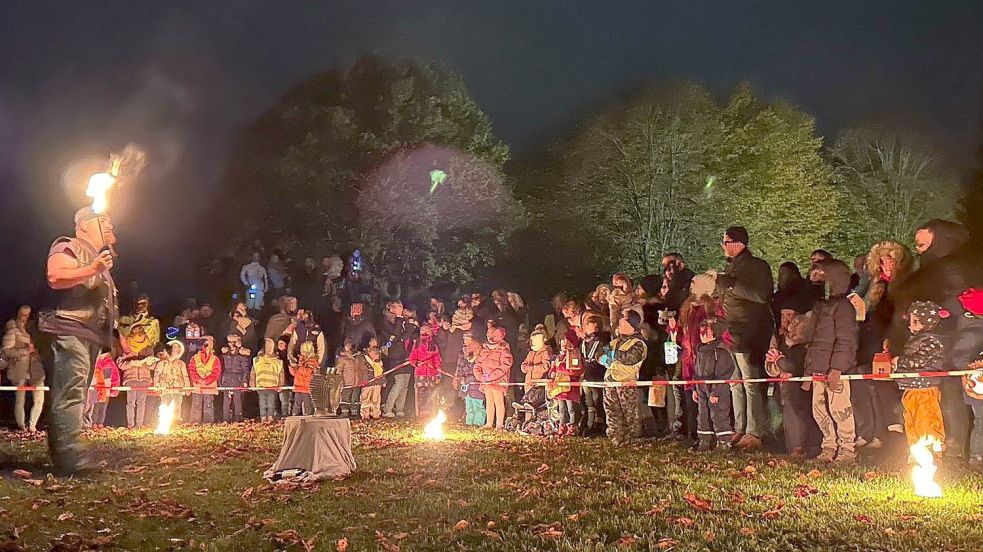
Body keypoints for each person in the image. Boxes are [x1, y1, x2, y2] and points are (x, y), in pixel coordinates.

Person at [40, 206, 119, 473]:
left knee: (76, 392)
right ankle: (70, 459)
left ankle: (67, 456)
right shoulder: (69, 244)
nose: (110, 224)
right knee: (70, 392)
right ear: (83, 225)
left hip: (85, 332)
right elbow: (56, 276)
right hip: (69, 326)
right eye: (103, 221)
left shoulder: (98, 258)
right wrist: (92, 268)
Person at [715, 226, 773, 451]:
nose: (723, 246)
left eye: (726, 241)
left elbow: (761, 295)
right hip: (730, 333)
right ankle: (740, 427)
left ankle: (755, 431)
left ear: (739, 244)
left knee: (750, 383)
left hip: (749, 333)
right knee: (735, 383)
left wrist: (731, 285)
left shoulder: (757, 266)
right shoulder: (731, 267)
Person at [853, 240, 913, 449]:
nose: (886, 265)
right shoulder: (873, 284)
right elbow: (860, 304)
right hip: (869, 338)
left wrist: (892, 338)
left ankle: (894, 427)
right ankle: (874, 432)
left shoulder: (906, 283)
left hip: (890, 338)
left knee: (884, 384)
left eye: (891, 260)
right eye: (882, 261)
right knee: (867, 385)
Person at [806, 259, 859, 464]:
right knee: (819, 410)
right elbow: (814, 341)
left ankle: (847, 450)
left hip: (835, 371)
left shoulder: (843, 307)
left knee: (840, 410)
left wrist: (837, 368)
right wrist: (809, 370)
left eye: (821, 275)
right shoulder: (821, 307)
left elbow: (846, 340)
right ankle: (828, 446)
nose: (816, 279)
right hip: (819, 369)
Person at [893, 301, 948, 452]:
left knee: (926, 420)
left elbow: (921, 361)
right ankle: (916, 452)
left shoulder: (930, 341)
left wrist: (900, 361)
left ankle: (932, 451)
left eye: (912, 321)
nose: (909, 325)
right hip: (912, 388)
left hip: (924, 388)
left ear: (922, 323)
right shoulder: (918, 340)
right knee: (911, 420)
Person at [766, 308, 820, 457]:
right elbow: (769, 363)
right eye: (783, 315)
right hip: (783, 386)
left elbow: (799, 365)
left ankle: (801, 447)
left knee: (801, 414)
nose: (786, 319)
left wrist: (782, 362)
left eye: (790, 315)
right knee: (788, 415)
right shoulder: (778, 336)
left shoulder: (805, 340)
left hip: (802, 386)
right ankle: (792, 447)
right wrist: (779, 368)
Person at [603, 310, 647, 445]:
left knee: (629, 413)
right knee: (611, 411)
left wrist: (612, 354)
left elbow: (630, 358)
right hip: (610, 382)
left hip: (626, 384)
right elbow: (602, 353)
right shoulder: (615, 342)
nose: (619, 324)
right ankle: (616, 437)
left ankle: (632, 439)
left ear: (632, 325)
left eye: (623, 322)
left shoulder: (639, 343)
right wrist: (603, 357)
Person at [692, 317, 736, 451]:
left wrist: (716, 392)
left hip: (717, 389)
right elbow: (697, 369)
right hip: (702, 387)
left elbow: (724, 373)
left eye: (707, 331)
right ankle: (704, 440)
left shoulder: (721, 351)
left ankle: (724, 442)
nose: (702, 334)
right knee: (703, 413)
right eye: (701, 331)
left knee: (719, 413)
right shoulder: (700, 350)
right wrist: (695, 387)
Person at [3, 306, 45, 432]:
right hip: (20, 369)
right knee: (20, 400)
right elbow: (6, 352)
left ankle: (32, 425)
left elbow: (41, 350)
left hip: (36, 370)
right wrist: (25, 351)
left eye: (28, 315)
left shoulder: (35, 332)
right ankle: (21, 426)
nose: (25, 318)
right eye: (23, 315)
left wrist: (37, 353)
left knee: (39, 399)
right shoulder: (12, 331)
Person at [475, 325, 512, 429]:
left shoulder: (503, 349)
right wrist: (480, 376)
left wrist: (491, 377)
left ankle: (500, 424)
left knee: (499, 401)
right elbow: (477, 364)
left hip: (498, 381)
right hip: (486, 381)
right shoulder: (485, 350)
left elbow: (505, 365)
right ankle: (489, 423)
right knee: (489, 401)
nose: (490, 338)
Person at [381, 300, 412, 418]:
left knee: (405, 385)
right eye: (397, 307)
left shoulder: (405, 320)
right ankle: (388, 408)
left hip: (407, 354)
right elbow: (395, 335)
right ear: (391, 309)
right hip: (396, 355)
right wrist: (399, 320)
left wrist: (404, 335)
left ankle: (400, 408)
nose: (400, 309)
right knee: (398, 383)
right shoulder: (387, 321)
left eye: (401, 306)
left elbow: (407, 334)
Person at [580, 314, 609, 435]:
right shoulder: (583, 341)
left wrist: (600, 357)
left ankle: (599, 424)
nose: (585, 327)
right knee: (588, 402)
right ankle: (589, 423)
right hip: (587, 376)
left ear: (596, 327)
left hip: (598, 375)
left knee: (598, 401)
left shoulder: (601, 340)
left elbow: (602, 356)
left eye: (589, 324)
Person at [118, 339, 156, 428]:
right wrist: (131, 363)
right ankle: (130, 425)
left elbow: (153, 366)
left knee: (141, 403)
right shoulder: (127, 348)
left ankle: (139, 424)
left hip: (144, 379)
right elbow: (120, 364)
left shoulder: (148, 349)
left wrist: (148, 363)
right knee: (130, 403)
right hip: (131, 379)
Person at [549, 336, 583, 436]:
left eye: (566, 343)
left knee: (571, 409)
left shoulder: (574, 355)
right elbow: (553, 369)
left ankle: (572, 427)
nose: (564, 346)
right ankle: (561, 426)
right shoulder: (558, 357)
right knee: (562, 409)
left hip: (570, 387)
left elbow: (574, 370)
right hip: (560, 387)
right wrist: (552, 373)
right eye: (562, 343)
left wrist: (560, 368)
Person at [154, 340, 191, 426]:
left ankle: (175, 423)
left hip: (178, 388)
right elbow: (157, 375)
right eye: (173, 347)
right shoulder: (161, 363)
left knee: (177, 406)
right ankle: (164, 423)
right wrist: (156, 386)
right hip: (165, 388)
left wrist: (187, 387)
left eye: (177, 348)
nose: (175, 350)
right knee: (164, 405)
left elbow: (185, 376)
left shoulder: (181, 363)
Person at [409, 324, 442, 417]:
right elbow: (412, 358)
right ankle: (420, 414)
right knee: (420, 394)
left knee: (431, 394)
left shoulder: (434, 346)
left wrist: (438, 372)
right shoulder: (417, 344)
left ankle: (431, 413)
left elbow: (437, 360)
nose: (424, 332)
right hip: (420, 373)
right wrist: (416, 363)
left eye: (426, 330)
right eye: (422, 330)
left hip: (431, 374)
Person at [187, 336, 222, 424]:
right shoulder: (195, 357)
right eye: (205, 344)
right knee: (196, 405)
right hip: (198, 386)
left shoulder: (215, 359)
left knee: (208, 405)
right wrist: (198, 379)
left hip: (209, 387)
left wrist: (206, 381)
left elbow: (216, 372)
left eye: (209, 344)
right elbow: (191, 369)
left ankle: (208, 423)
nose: (206, 346)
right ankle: (194, 423)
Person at [251, 338, 285, 423]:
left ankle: (270, 417)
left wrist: (280, 385)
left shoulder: (277, 361)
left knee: (271, 403)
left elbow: (281, 374)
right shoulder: (258, 360)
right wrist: (252, 384)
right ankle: (263, 417)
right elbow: (253, 373)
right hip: (261, 385)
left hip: (272, 386)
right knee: (262, 403)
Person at [220, 334, 251, 423]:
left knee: (237, 400)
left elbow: (246, 369)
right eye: (229, 342)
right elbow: (222, 367)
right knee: (226, 400)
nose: (231, 345)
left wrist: (245, 380)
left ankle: (238, 418)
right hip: (227, 379)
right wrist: (221, 380)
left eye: (233, 342)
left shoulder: (242, 355)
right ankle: (225, 419)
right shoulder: (225, 354)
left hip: (238, 379)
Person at [83, 352, 119, 429]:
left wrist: (114, 389)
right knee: (95, 406)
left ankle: (100, 423)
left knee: (103, 407)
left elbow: (115, 376)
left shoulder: (111, 363)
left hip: (106, 387)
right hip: (96, 387)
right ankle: (93, 423)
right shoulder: (95, 361)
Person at [457, 335, 485, 426]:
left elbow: (479, 375)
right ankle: (469, 424)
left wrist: (467, 379)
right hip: (468, 390)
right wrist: (461, 378)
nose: (465, 350)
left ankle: (477, 424)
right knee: (469, 408)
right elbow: (462, 371)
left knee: (478, 408)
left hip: (477, 390)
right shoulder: (467, 361)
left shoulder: (481, 360)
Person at [290, 341, 317, 416]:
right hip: (298, 387)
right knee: (296, 406)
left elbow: (308, 373)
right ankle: (294, 419)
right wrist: (291, 366)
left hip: (306, 388)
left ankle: (307, 420)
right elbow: (295, 374)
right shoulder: (300, 361)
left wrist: (301, 365)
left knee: (307, 406)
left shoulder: (312, 362)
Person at [521, 325, 551, 392]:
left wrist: (531, 367)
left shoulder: (545, 351)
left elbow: (545, 366)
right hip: (528, 382)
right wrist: (523, 367)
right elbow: (524, 365)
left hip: (538, 384)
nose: (532, 342)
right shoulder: (531, 353)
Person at [359, 346, 385, 420]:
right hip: (367, 383)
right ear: (370, 353)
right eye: (374, 354)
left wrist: (383, 381)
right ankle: (365, 414)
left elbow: (381, 373)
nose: (376, 356)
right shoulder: (364, 360)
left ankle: (375, 414)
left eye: (377, 354)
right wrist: (362, 381)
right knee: (365, 398)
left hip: (377, 383)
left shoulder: (379, 363)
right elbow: (361, 371)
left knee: (376, 399)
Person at [336, 338, 359, 417]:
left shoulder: (357, 357)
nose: (349, 347)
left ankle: (354, 411)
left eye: (350, 345)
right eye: (347, 345)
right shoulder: (342, 358)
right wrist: (340, 381)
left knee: (354, 397)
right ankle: (344, 411)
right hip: (346, 382)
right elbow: (339, 371)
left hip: (356, 382)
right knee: (345, 397)